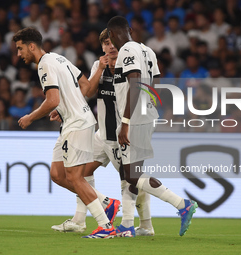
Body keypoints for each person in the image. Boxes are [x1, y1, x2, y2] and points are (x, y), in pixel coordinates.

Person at [13, 27, 116, 239]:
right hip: (73, 120)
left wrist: (30, 117)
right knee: (57, 174)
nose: (18, 54)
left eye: (20, 48)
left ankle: (106, 227)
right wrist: (62, 110)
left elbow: (52, 100)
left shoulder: (44, 65)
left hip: (77, 124)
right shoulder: (58, 58)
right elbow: (86, 88)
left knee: (75, 177)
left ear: (31, 46)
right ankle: (107, 202)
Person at [51, 28, 154, 236]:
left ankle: (144, 224)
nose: (110, 47)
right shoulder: (99, 65)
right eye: (106, 44)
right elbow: (87, 92)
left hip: (121, 135)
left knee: (131, 180)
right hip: (101, 134)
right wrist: (99, 69)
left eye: (112, 42)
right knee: (81, 172)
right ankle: (79, 220)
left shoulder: (129, 65)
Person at [107, 16, 197, 237]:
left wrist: (126, 122)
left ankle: (182, 204)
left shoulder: (127, 50)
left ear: (111, 35)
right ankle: (130, 224)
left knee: (131, 175)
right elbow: (155, 82)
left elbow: (135, 83)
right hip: (146, 115)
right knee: (134, 173)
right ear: (129, 29)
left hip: (134, 118)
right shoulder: (147, 51)